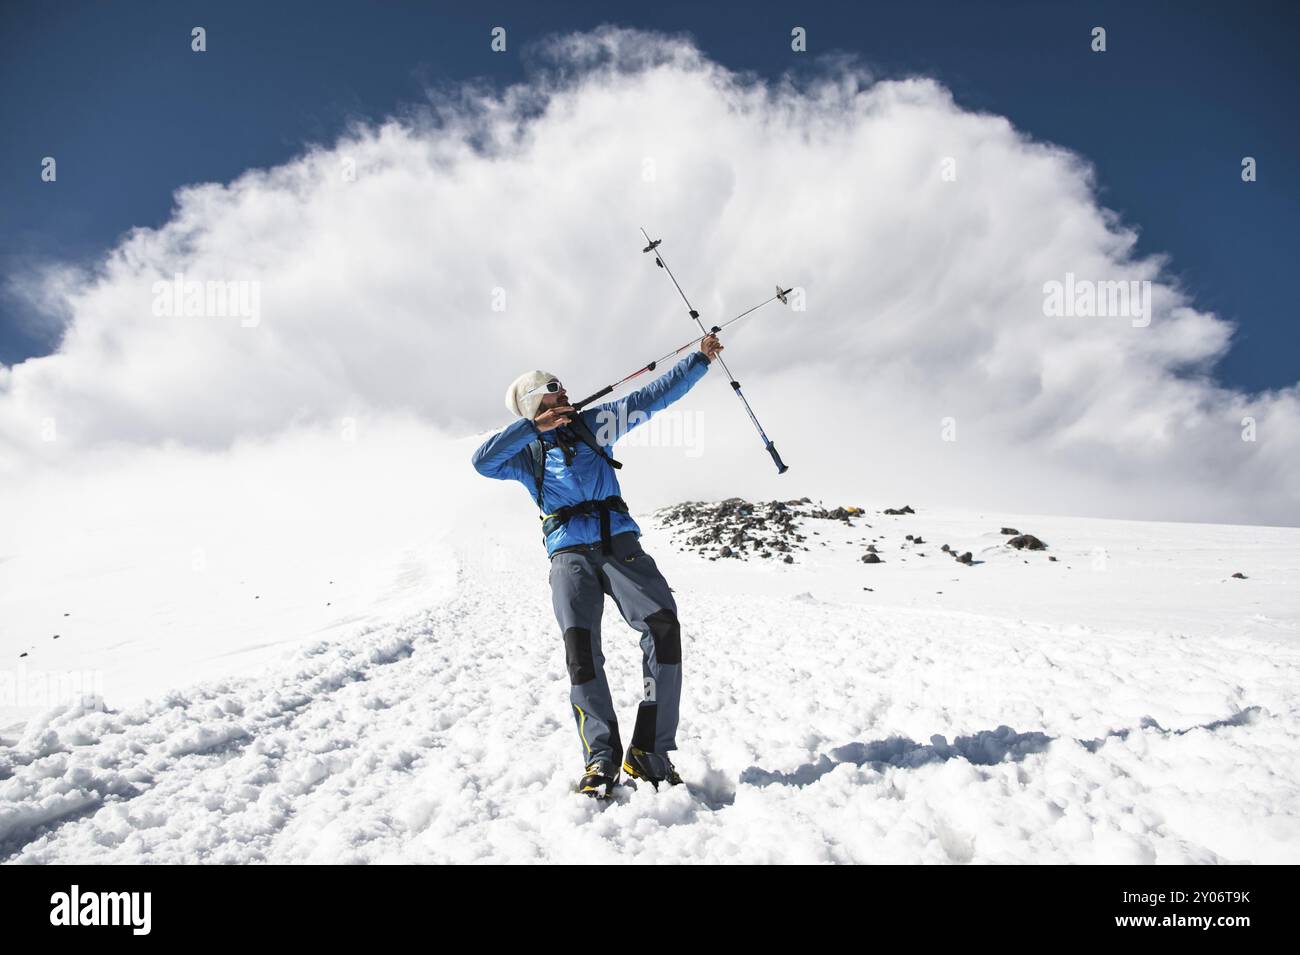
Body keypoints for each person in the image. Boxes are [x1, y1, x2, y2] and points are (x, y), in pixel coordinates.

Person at [471, 333, 724, 798]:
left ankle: (649, 749)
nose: (564, 392)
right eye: (553, 389)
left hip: (620, 545)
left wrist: (698, 362)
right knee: (582, 653)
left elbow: (652, 397)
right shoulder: (526, 453)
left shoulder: (595, 424)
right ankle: (600, 759)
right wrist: (535, 429)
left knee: (663, 626)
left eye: (563, 386)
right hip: (568, 557)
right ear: (534, 402)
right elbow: (482, 462)